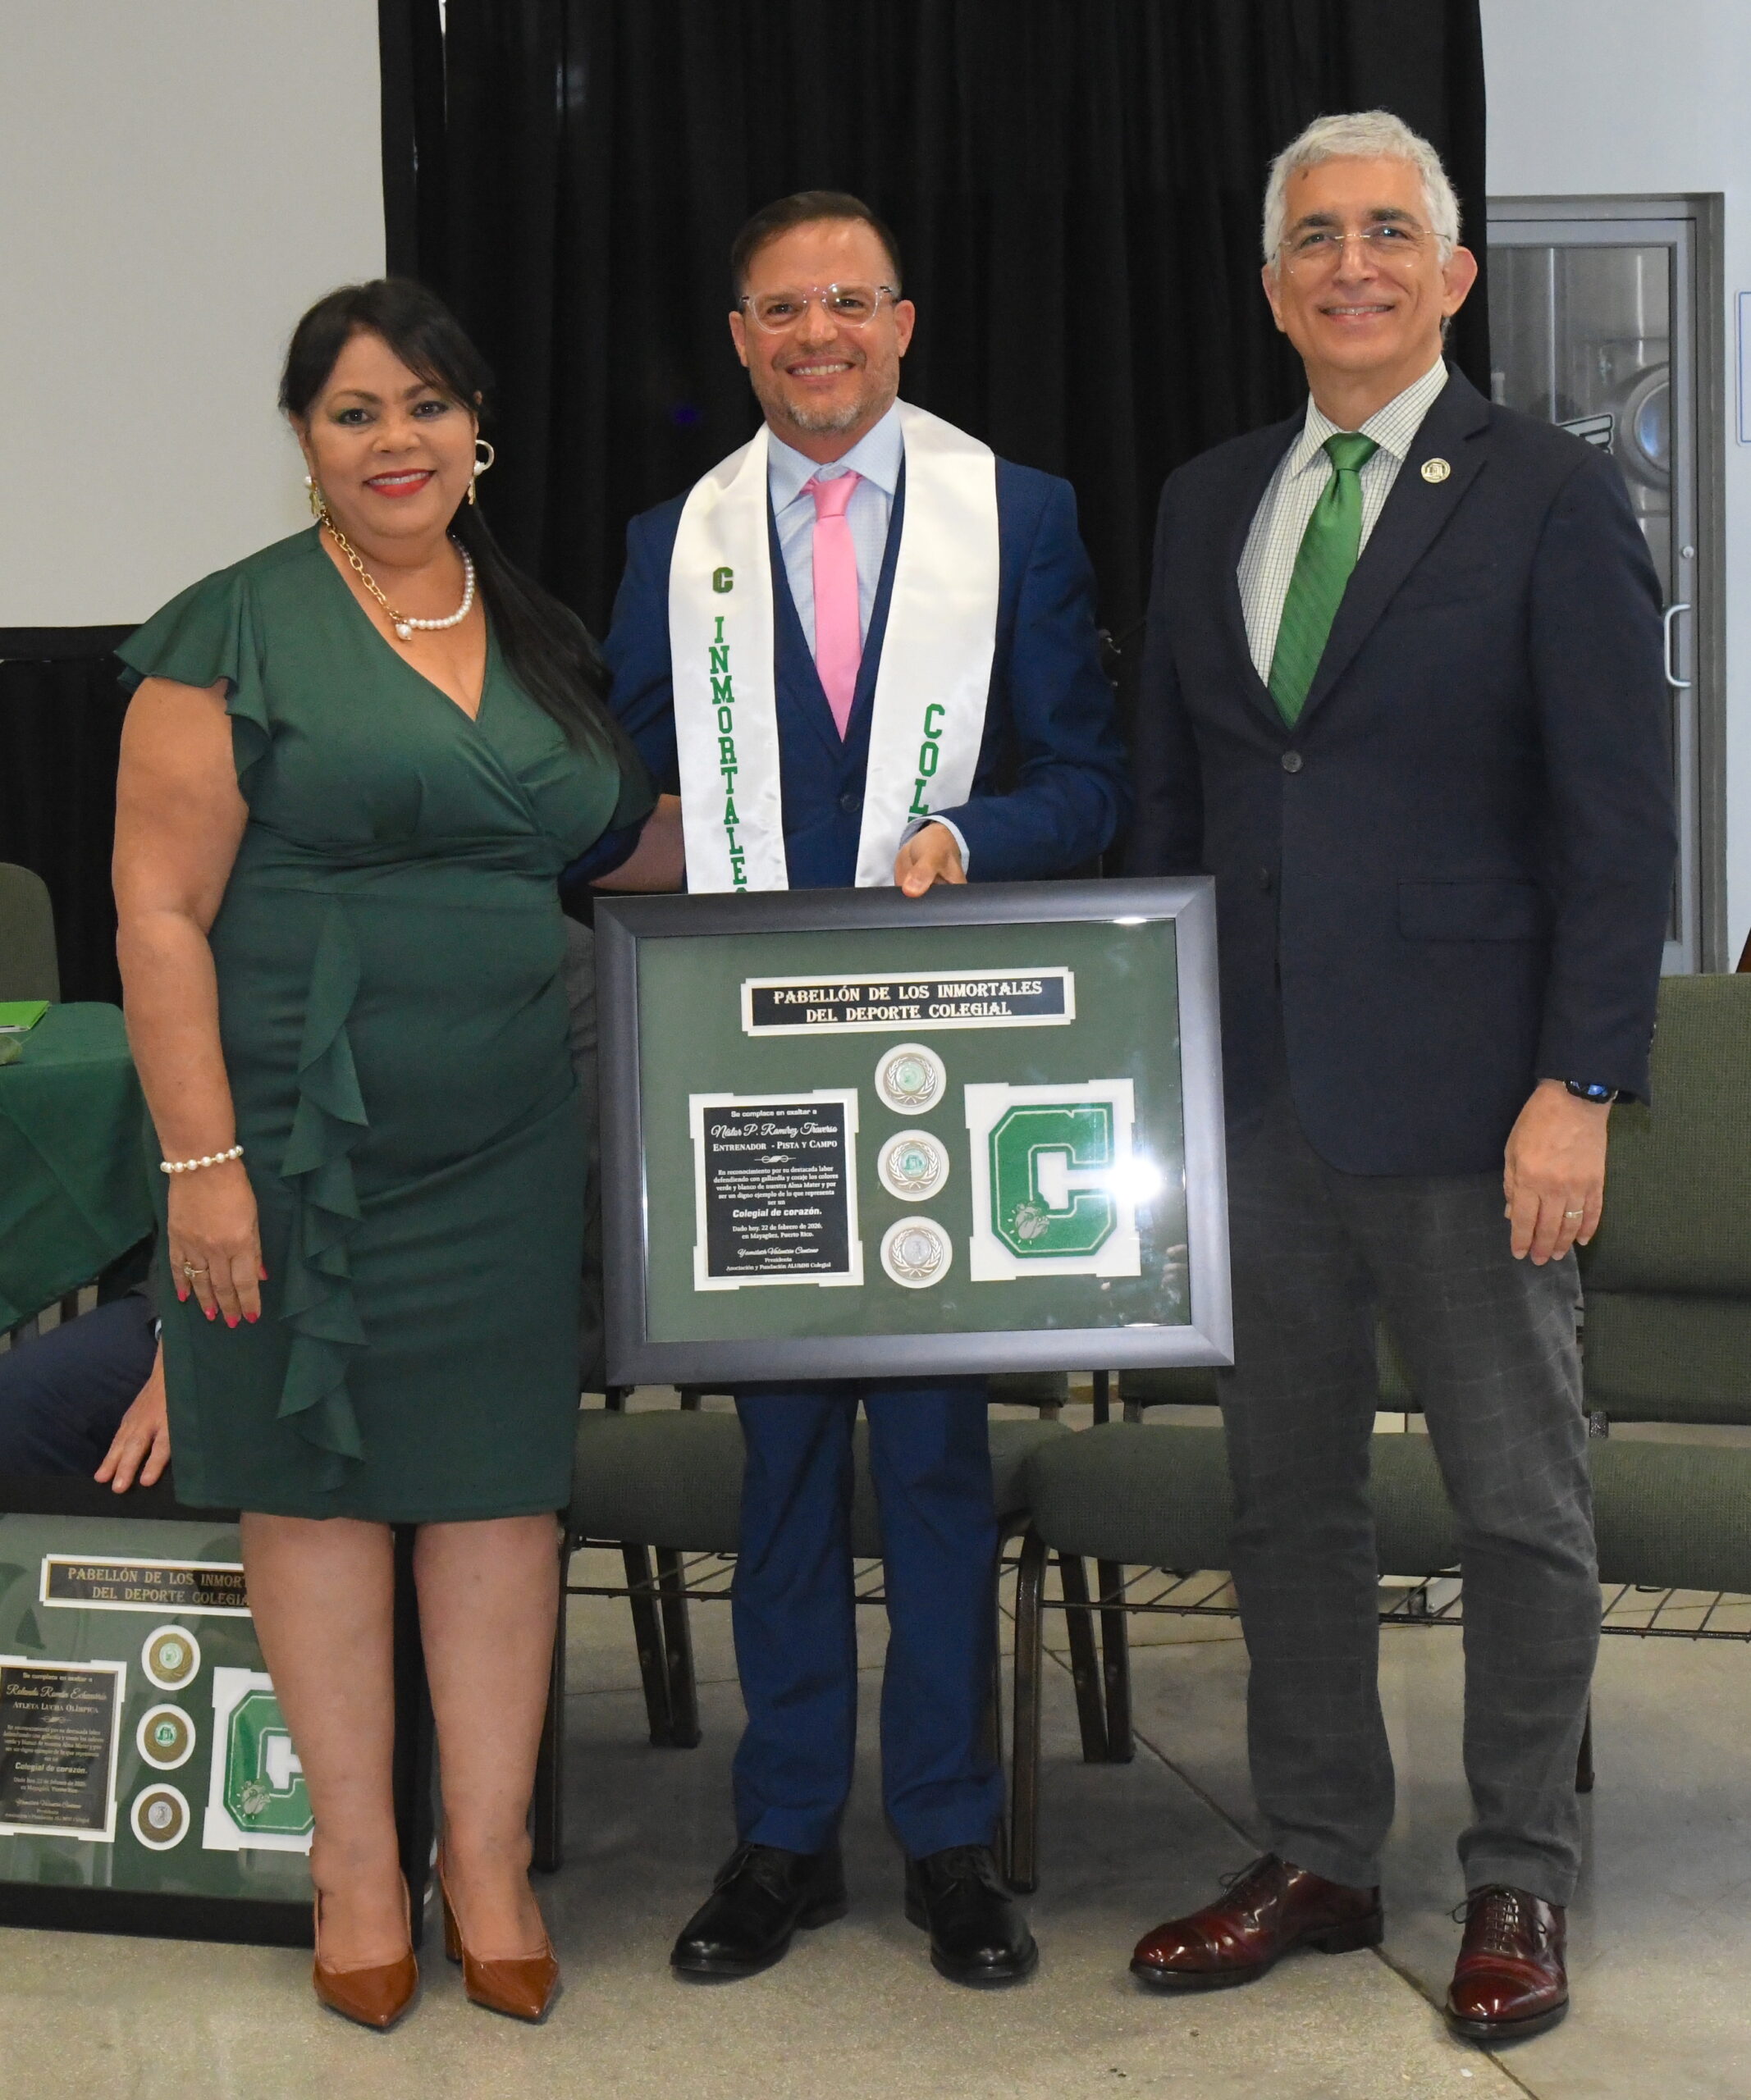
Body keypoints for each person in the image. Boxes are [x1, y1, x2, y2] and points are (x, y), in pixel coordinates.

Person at [1125, 111, 1676, 2042]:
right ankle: (1314, 1848)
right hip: (1253, 1099)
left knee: (1516, 1504)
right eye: (1311, 237)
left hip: (1474, 1109)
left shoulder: (1547, 491)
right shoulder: (1205, 499)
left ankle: (1516, 1865)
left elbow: (1617, 820)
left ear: (1447, 276)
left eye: (1383, 233)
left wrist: (1576, 1083)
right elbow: (1173, 800)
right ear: (1268, 288)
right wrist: (1150, 1061)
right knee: (1283, 1502)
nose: (1345, 263)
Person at [112, 279, 679, 2031]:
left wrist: (858, 822)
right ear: (304, 438)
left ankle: (487, 1864)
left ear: (475, 430)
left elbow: (613, 844)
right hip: (293, 1148)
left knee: (498, 1497)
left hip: (507, 1141)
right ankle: (355, 1864)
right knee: (315, 1494)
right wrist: (202, 1167)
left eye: (426, 405)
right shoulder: (228, 631)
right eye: (354, 410)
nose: (395, 440)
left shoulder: (533, 626)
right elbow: (156, 913)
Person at [598, 191, 1127, 1988]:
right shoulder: (672, 542)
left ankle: (950, 1840)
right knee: (778, 1465)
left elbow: (1087, 784)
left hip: (935, 1051)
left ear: (901, 321)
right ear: (737, 340)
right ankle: (782, 1834)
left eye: (847, 301)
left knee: (931, 1463)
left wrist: (972, 836)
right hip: (748, 1066)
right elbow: (636, 796)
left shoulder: (1017, 514)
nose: (814, 334)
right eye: (778, 309)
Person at [0, 1287, 167, 1489]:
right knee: (12, 1402)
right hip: (174, 1310)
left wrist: (181, 1375)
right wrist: (174, 1361)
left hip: (198, 1338)